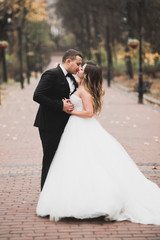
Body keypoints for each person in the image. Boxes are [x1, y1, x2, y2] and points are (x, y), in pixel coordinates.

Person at [36, 63, 160, 225]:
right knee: (76, 163)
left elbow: (89, 113)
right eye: (79, 67)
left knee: (89, 161)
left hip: (81, 126)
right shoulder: (80, 85)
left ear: (86, 75)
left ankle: (96, 200)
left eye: (82, 69)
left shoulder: (85, 91)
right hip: (74, 127)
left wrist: (69, 110)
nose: (79, 69)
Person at [33, 49, 83, 190]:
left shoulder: (73, 78)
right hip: (49, 125)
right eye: (77, 64)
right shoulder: (51, 74)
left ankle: (58, 191)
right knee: (50, 158)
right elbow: (37, 95)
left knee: (63, 158)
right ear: (68, 61)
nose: (79, 67)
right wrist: (60, 105)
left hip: (66, 125)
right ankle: (46, 192)